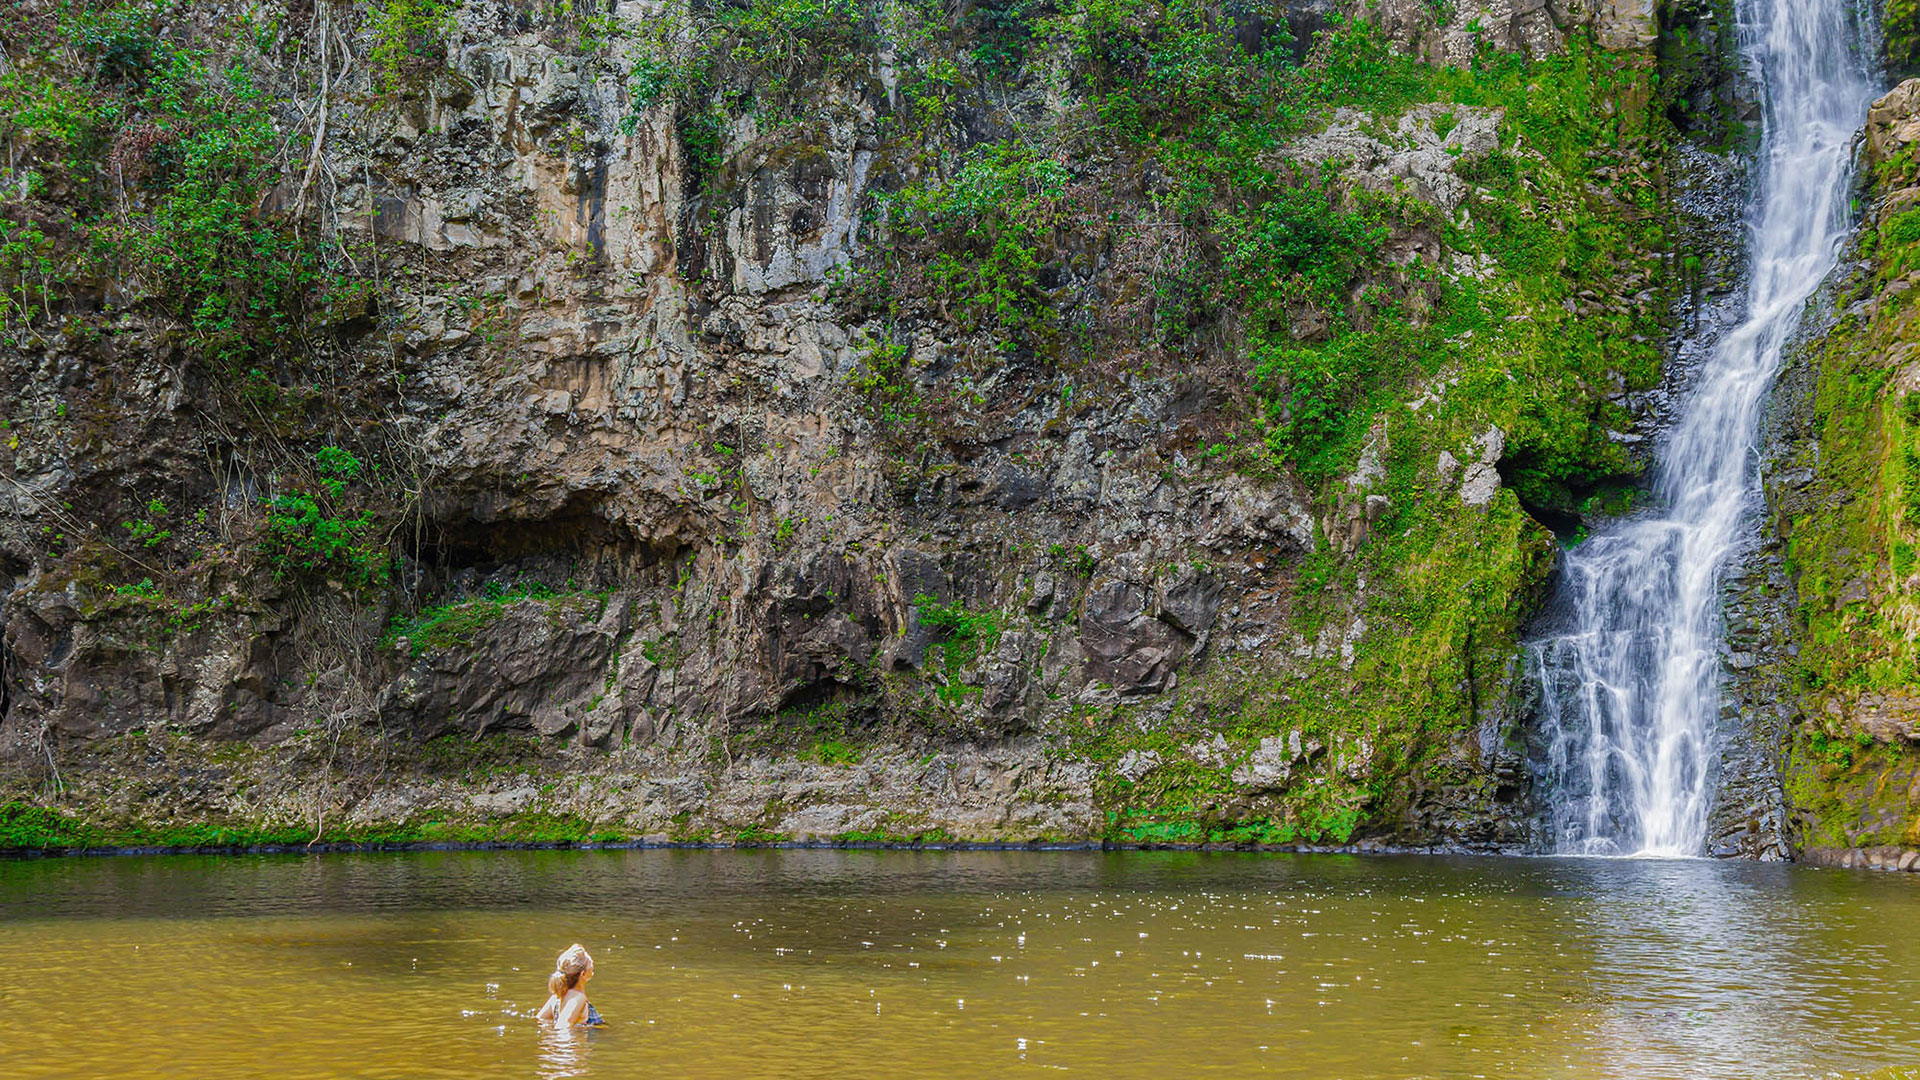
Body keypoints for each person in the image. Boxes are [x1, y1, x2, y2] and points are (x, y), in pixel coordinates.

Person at [536, 943, 603, 1026]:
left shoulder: (557, 997)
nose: (593, 965)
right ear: (583, 974)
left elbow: (540, 1019)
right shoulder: (578, 998)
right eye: (590, 963)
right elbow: (563, 1025)